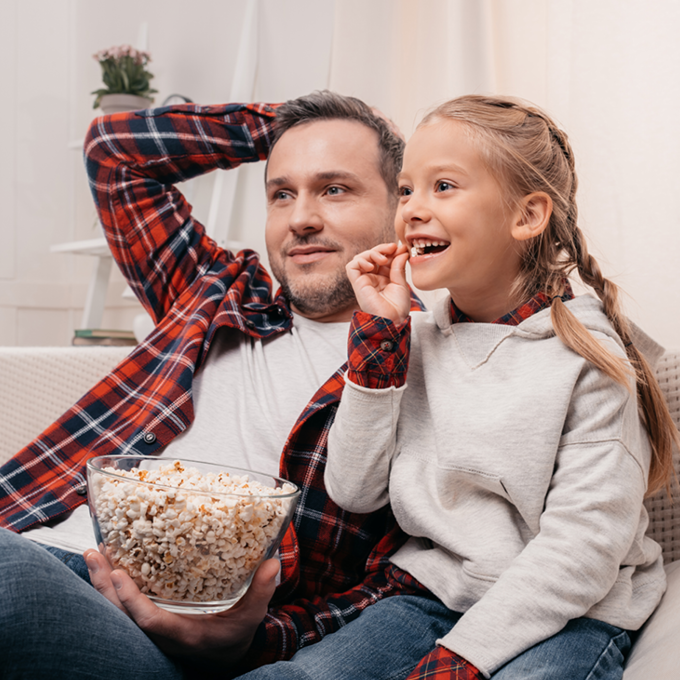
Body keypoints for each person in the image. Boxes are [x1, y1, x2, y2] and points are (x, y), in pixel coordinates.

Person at [233, 94, 679, 680]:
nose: (414, 209)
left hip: (567, 610)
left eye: (443, 186)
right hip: (430, 594)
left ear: (526, 216)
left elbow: (582, 553)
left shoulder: (590, 361)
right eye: (407, 189)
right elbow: (354, 490)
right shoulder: (411, 332)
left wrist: (463, 660)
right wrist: (378, 345)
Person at [0, 91, 424, 679]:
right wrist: (277, 127)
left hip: (161, 633)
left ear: (403, 207)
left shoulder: (423, 357)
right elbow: (115, 152)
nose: (300, 217)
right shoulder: (217, 292)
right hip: (41, 544)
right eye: (282, 193)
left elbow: (410, 585)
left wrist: (247, 641)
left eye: (334, 188)